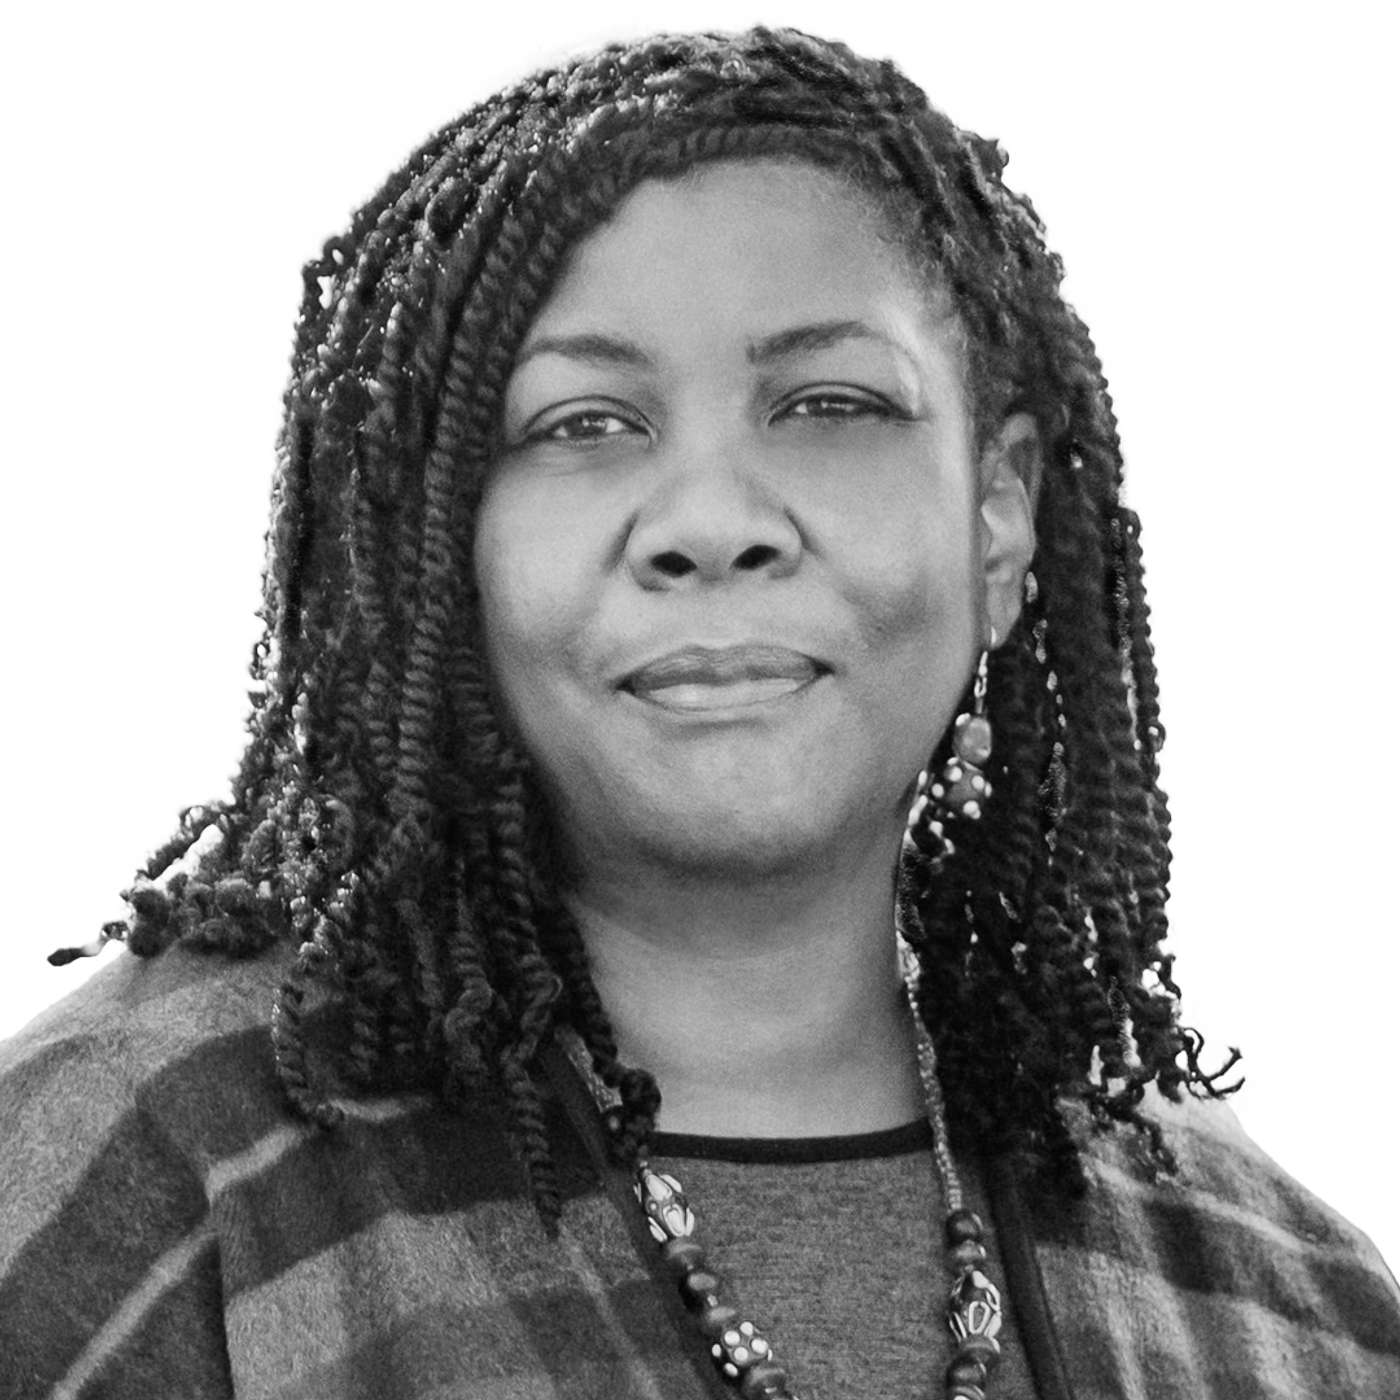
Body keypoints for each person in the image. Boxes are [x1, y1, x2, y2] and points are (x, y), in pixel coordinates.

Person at [1, 25, 1396, 1400]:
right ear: (430, 546)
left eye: (830, 403)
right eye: (583, 423)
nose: (713, 523)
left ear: (999, 518)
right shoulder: (137, 1185)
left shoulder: (1289, 1306)